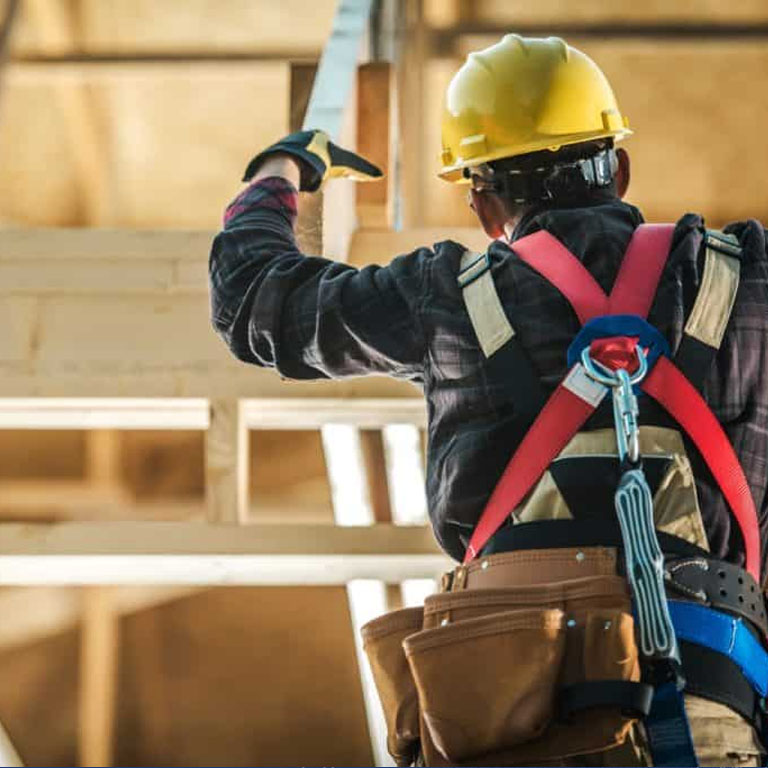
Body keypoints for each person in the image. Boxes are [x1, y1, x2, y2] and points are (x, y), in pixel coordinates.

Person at [210, 34, 767, 767]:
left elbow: (257, 301)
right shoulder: (747, 278)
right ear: (619, 169)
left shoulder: (443, 298)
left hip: (502, 711)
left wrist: (280, 170)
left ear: (480, 202)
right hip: (704, 702)